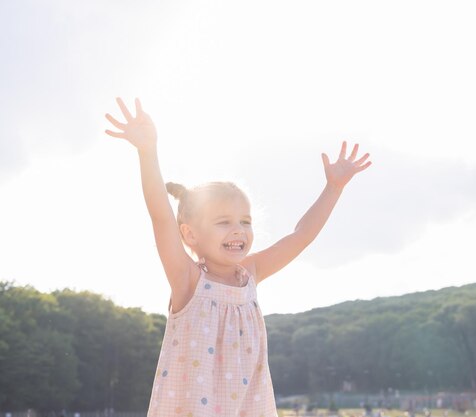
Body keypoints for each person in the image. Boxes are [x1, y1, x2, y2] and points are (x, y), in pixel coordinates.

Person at [104, 98, 372, 417]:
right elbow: (161, 217)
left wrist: (333, 188)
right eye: (223, 222)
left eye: (245, 221)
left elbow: (301, 236)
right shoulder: (188, 280)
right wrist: (148, 153)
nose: (238, 231)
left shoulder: (251, 273)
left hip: (247, 406)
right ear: (190, 235)